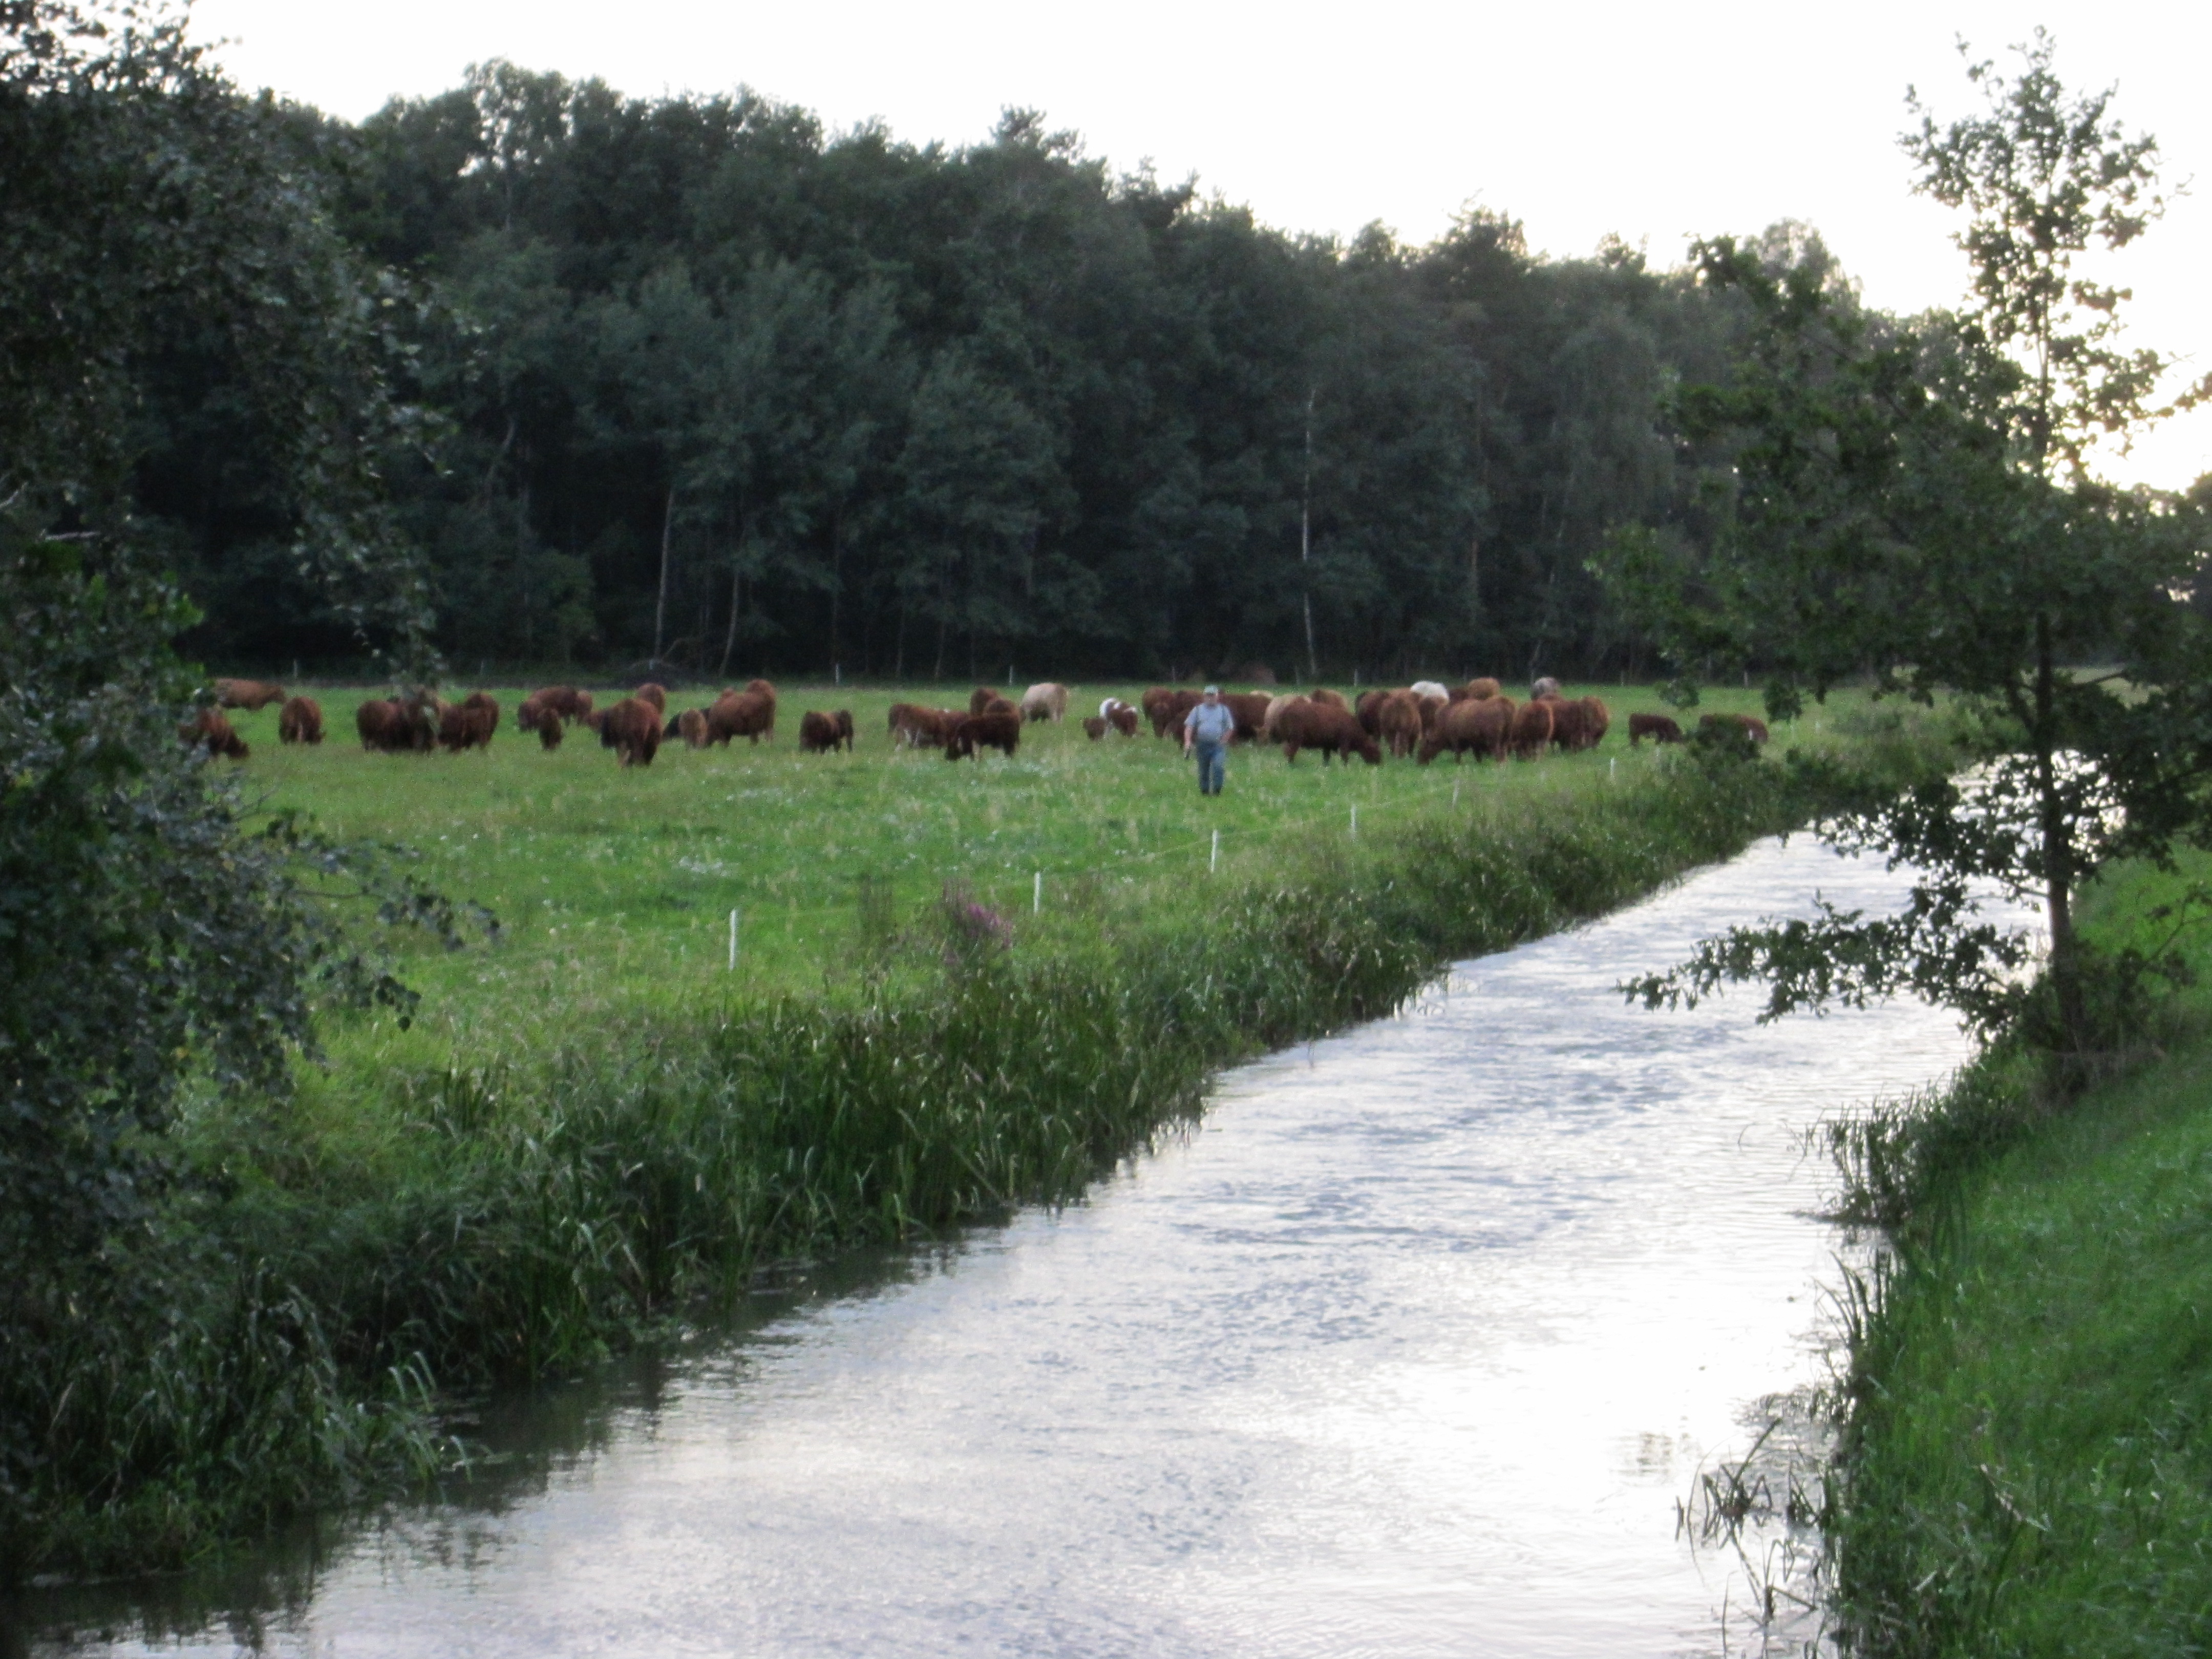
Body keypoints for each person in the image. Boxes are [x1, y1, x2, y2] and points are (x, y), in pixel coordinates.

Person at [1182, 685, 1235, 796]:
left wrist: (1224, 740)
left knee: (1218, 767)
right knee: (1204, 770)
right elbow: (1189, 727)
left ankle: (1217, 790)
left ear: (1217, 697)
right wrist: (1188, 742)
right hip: (1202, 745)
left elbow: (1230, 728)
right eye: (1208, 696)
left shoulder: (1223, 710)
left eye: (1213, 696)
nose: (1211, 698)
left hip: (1218, 745)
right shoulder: (1197, 710)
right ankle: (1205, 792)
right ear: (1204, 697)